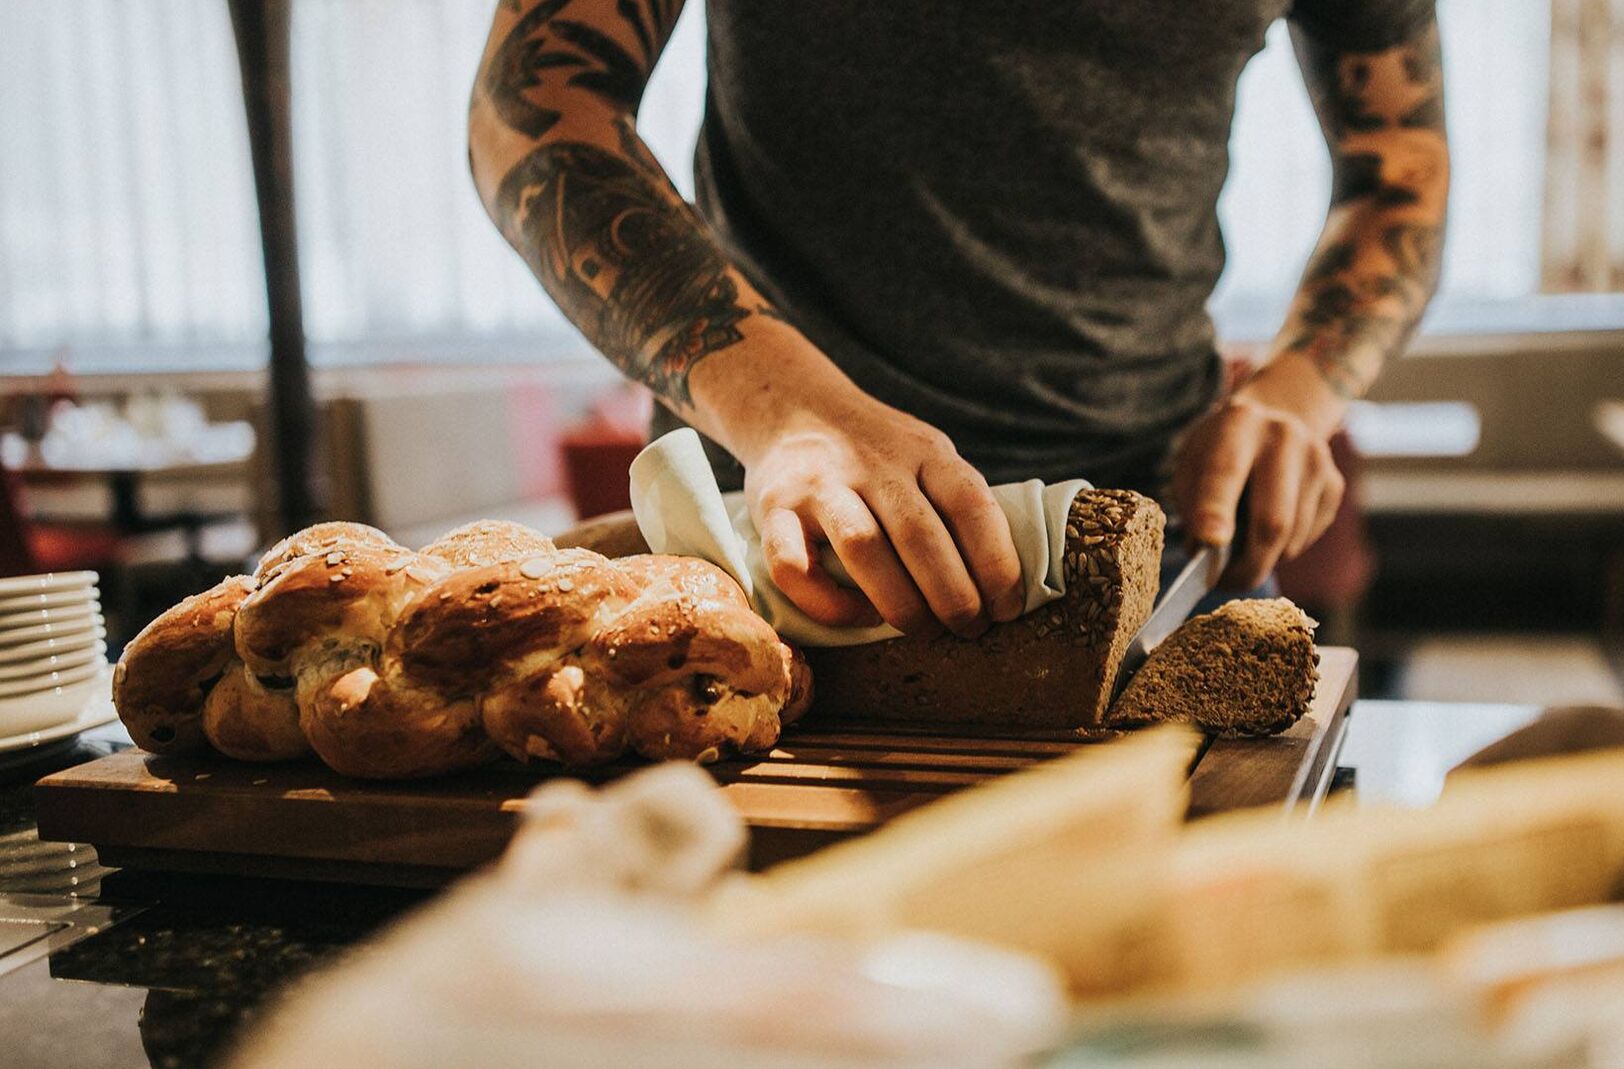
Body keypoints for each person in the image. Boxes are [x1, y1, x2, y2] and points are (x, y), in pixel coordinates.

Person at [469, 0, 1448, 640]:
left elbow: (1398, 176)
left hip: (1160, 549)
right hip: (778, 556)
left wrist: (1291, 395)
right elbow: (538, 103)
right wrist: (794, 415)